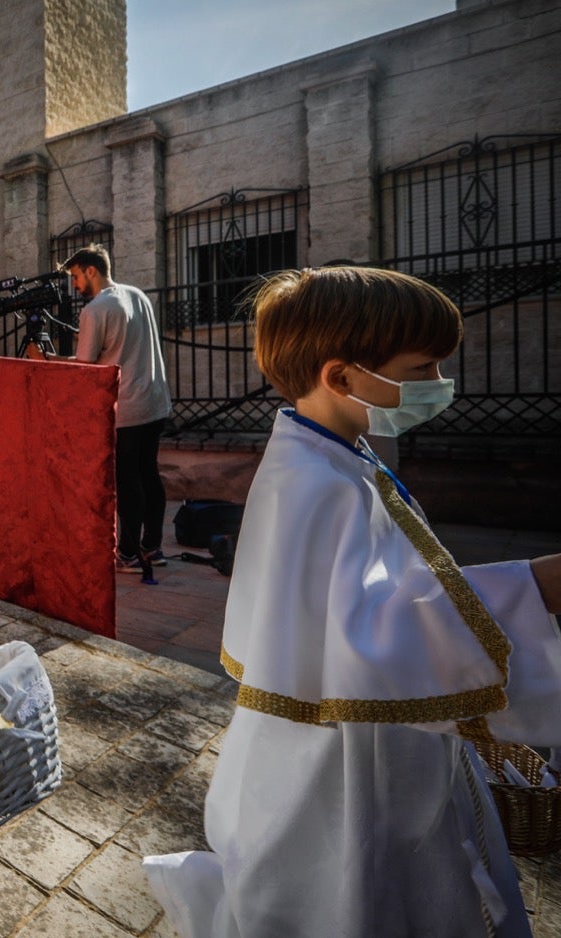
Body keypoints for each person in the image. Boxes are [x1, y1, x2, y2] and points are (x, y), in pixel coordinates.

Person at [144, 265, 561, 938]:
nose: (436, 384)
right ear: (342, 376)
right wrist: (537, 585)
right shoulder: (314, 482)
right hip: (340, 763)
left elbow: (382, 597)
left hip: (359, 734)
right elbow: (365, 635)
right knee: (356, 894)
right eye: (421, 366)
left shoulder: (336, 452)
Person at [63, 243, 171, 572]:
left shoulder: (96, 310)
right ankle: (153, 547)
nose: (75, 285)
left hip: (125, 408)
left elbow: (86, 368)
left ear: (91, 270)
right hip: (154, 402)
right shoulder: (136, 295)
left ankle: (126, 553)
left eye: (76, 277)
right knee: (149, 474)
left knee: (128, 482)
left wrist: (50, 361)